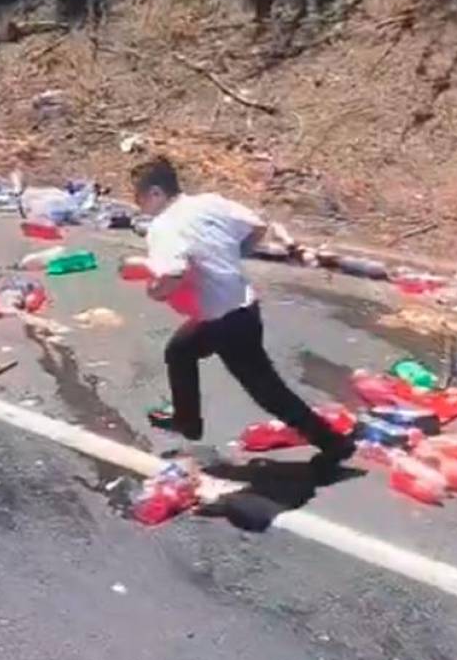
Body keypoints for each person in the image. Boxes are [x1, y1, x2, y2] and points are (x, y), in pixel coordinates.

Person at [132, 156, 355, 478]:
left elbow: (175, 272)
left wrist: (158, 292)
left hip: (225, 320)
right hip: (239, 305)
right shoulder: (209, 203)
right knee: (180, 350)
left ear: (154, 193)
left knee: (266, 389)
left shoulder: (164, 226)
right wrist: (232, 256)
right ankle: (187, 420)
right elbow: (257, 226)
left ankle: (333, 443)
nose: (140, 207)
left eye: (140, 198)